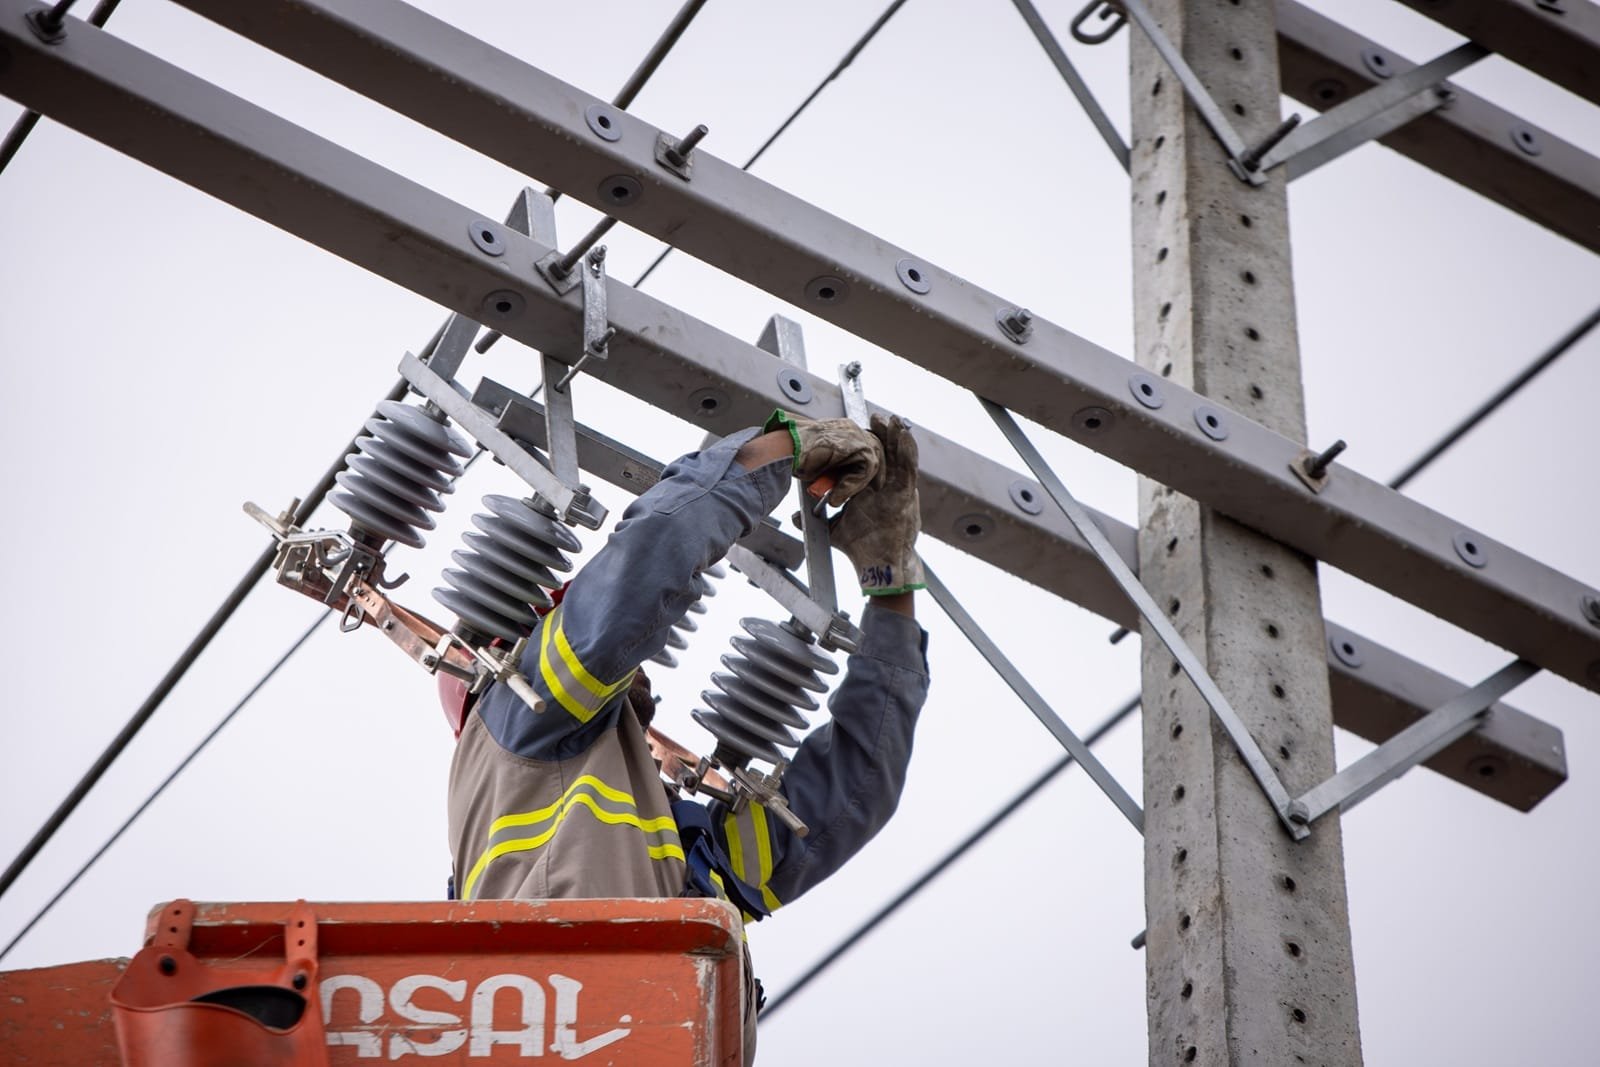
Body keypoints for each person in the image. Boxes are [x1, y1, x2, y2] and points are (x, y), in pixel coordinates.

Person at [444, 410, 930, 1059]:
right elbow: (639, 575)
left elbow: (852, 794)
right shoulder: (523, 708)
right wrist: (779, 450)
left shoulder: (665, 845)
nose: (628, 663)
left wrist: (889, 581)